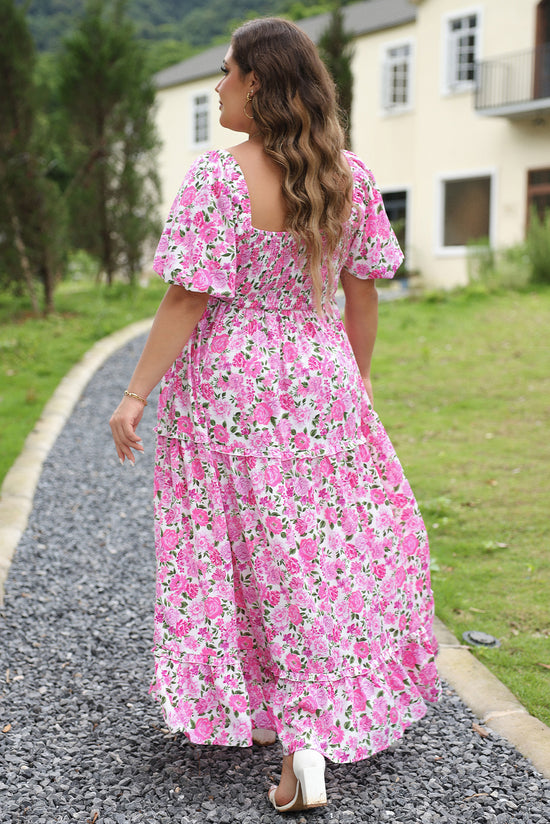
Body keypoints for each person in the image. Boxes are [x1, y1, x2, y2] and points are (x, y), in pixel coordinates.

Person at [110, 17, 440, 813]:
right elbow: (362, 295)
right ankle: (289, 709)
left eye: (226, 72)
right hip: (320, 381)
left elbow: (189, 296)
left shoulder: (220, 180)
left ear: (257, 82)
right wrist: (350, 389)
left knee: (243, 550)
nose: (219, 85)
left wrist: (134, 393)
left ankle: (303, 738)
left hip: (229, 391)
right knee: (317, 551)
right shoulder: (348, 176)